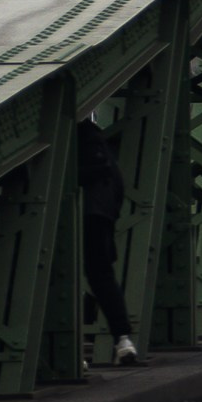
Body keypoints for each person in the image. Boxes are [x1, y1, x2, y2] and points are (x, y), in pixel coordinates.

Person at [76, 117, 140, 367]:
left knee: (54, 277)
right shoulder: (98, 146)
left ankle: (67, 350)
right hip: (101, 215)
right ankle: (123, 339)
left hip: (82, 213)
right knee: (102, 276)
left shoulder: (65, 136)